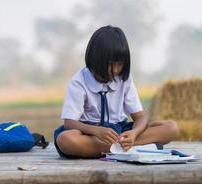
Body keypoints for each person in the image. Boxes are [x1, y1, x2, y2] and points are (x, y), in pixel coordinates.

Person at [54, 25, 179, 158]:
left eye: (119, 64)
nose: (115, 70)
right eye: (110, 64)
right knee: (66, 139)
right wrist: (95, 130)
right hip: (90, 133)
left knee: (171, 128)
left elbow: (140, 118)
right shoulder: (79, 81)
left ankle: (118, 147)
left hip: (120, 132)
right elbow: (69, 123)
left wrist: (134, 133)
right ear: (95, 59)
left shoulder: (124, 78)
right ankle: (134, 147)